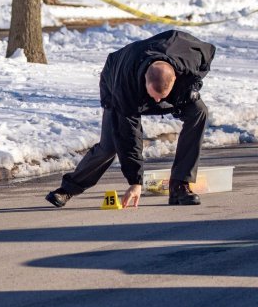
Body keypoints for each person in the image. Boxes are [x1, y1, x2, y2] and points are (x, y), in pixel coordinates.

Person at [45, 29, 216, 208]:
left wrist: (193, 86)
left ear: (175, 77)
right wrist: (136, 181)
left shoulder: (186, 52)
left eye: (161, 97)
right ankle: (67, 189)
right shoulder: (125, 88)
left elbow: (208, 54)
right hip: (116, 78)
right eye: (154, 96)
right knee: (110, 145)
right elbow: (128, 136)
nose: (157, 102)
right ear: (145, 81)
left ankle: (180, 186)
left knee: (199, 112)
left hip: (174, 87)